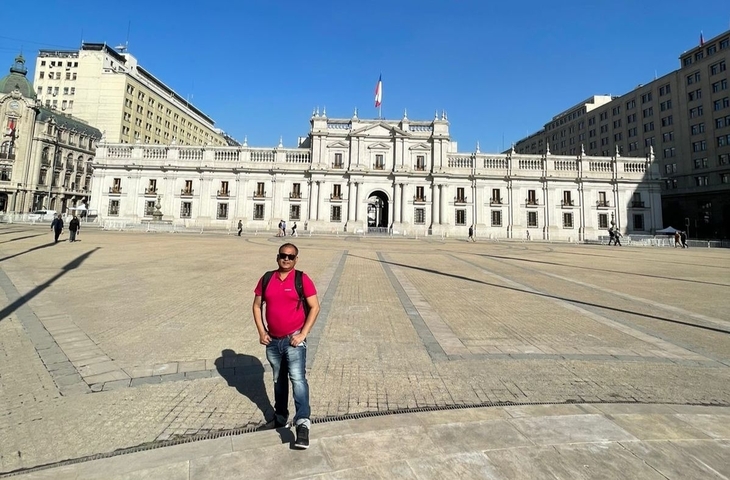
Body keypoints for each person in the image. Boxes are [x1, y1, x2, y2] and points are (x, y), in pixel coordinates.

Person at [252, 243, 320, 449]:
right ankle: (280, 417)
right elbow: (256, 305)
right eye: (283, 256)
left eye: (291, 257)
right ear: (277, 257)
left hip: (293, 339)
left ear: (296, 259)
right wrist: (262, 331)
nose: (286, 259)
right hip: (272, 340)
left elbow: (315, 306)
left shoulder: (302, 279)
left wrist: (303, 334)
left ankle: (302, 424)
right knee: (278, 380)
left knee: (298, 379)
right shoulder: (267, 278)